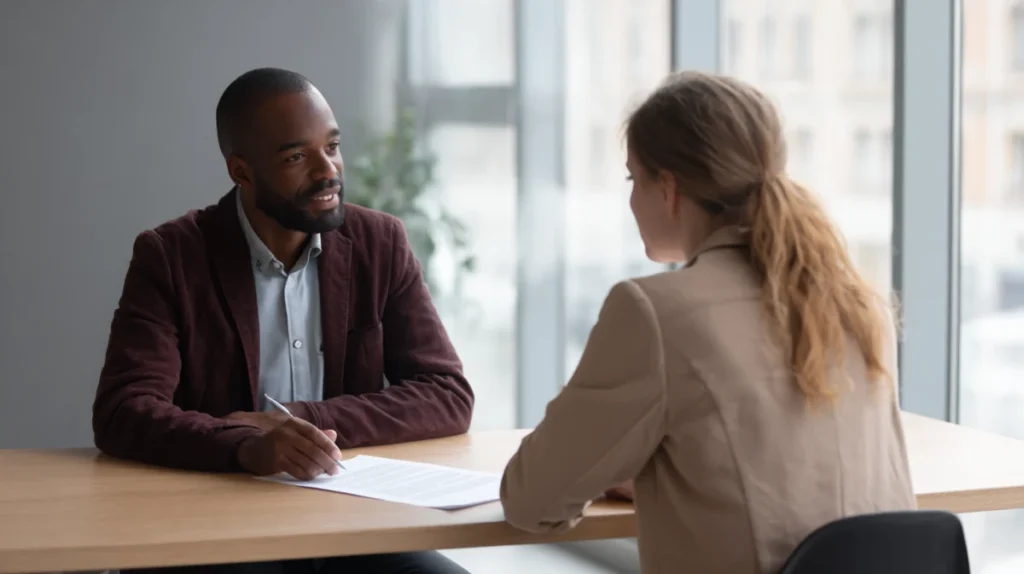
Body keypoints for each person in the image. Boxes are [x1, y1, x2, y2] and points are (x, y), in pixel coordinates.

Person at [499, 71, 916, 574]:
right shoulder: (858, 302)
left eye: (634, 178)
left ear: (668, 187)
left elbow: (531, 501)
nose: (631, 199)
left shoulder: (654, 312)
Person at [93, 67, 473, 574]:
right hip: (219, 525)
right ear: (241, 171)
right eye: (297, 156)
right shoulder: (171, 255)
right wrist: (249, 446)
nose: (327, 171)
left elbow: (447, 392)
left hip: (354, 523)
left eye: (332, 147)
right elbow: (124, 410)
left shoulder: (381, 243)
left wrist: (306, 421)